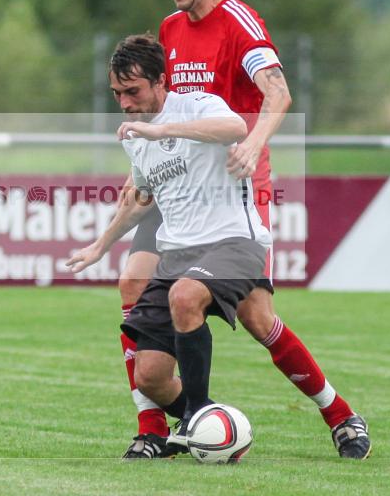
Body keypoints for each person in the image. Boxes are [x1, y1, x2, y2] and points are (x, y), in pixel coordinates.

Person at [70, 29, 370, 460]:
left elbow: (235, 126)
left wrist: (161, 131)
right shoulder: (136, 136)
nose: (125, 103)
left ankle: (322, 416)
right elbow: (140, 198)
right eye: (117, 93)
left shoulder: (195, 104)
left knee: (205, 302)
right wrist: (100, 245)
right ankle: (216, 427)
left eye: (132, 91)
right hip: (179, 253)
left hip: (233, 242)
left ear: (160, 81)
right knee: (150, 376)